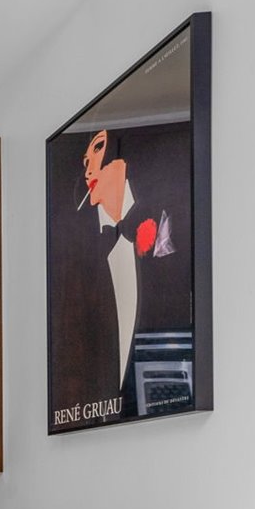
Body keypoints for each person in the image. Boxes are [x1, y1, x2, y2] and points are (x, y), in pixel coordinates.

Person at [79, 128, 170, 392]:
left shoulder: (164, 224)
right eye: (86, 162)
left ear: (122, 159)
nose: (88, 171)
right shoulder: (80, 255)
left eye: (98, 150)